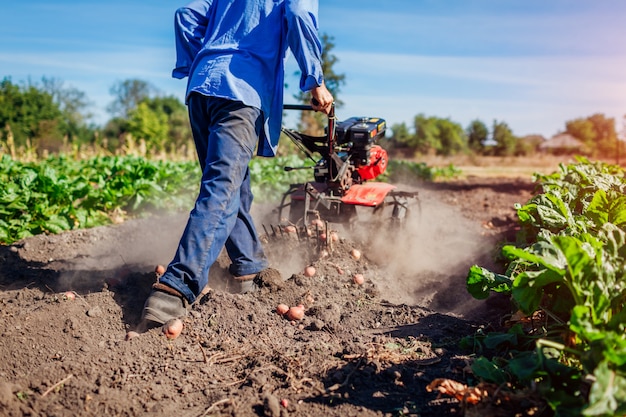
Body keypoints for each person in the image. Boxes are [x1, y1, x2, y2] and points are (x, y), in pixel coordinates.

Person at [138, 0, 334, 329]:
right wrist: (315, 81)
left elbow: (185, 16)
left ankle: (248, 266)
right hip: (241, 90)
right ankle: (175, 287)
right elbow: (299, 14)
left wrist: (200, 60)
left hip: (202, 89)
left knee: (232, 185)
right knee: (222, 190)